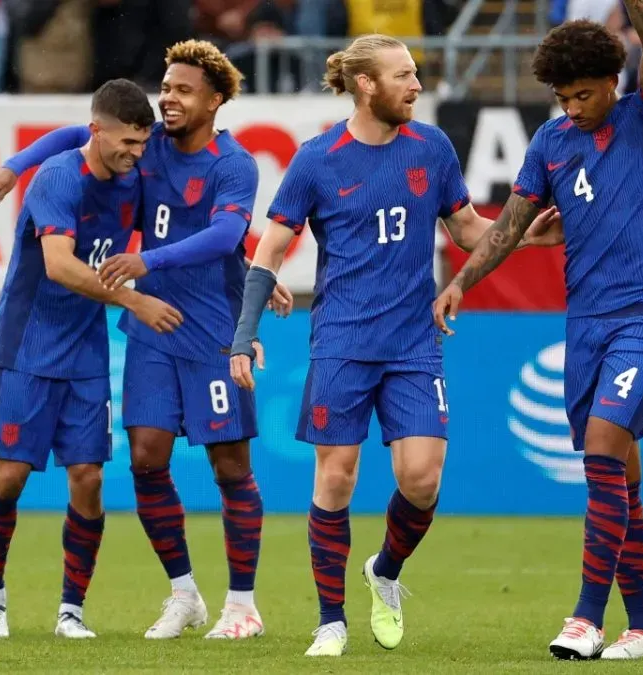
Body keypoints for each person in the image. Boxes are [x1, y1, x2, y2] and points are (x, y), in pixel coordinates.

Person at [229, 34, 563, 658]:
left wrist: (527, 238)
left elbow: (467, 229)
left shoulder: (431, 147)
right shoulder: (317, 159)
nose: (416, 85)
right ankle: (331, 622)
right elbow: (269, 249)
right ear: (366, 85)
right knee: (336, 476)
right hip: (341, 341)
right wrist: (244, 336)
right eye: (404, 75)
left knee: (421, 481)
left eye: (415, 74)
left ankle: (384, 570)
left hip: (414, 342)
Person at [0, 39, 293, 641]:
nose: (168, 98)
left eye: (182, 90)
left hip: (211, 329)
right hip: (147, 330)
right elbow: (76, 135)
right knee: (145, 458)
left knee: (229, 466)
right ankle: (183, 594)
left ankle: (241, 605)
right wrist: (13, 167)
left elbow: (222, 234)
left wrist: (247, 272)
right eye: (166, 87)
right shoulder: (144, 150)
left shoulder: (233, 164)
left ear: (215, 100)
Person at [432, 4, 643, 661]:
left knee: (601, 448)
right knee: (618, 474)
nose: (573, 108)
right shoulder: (550, 142)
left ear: (612, 81)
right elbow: (509, 227)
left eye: (583, 96)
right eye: (563, 98)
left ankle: (586, 617)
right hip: (585, 325)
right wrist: (461, 282)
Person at [0, 78, 183, 640]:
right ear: (98, 132)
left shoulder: (132, 174)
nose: (137, 154)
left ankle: (71, 609)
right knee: (10, 477)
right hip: (25, 346)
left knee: (88, 479)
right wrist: (134, 300)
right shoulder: (58, 178)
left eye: (143, 143)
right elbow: (60, 266)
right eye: (128, 143)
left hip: (86, 350)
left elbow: (187, 221)